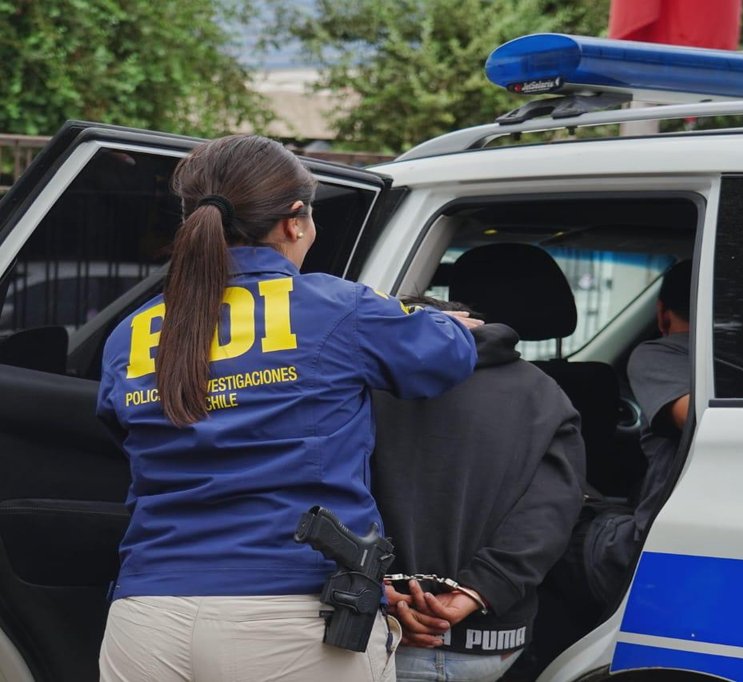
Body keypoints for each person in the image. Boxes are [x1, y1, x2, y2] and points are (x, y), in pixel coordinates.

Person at [94, 135, 480, 682]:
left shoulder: (132, 332)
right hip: (290, 619)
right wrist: (441, 320)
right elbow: (446, 356)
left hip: (147, 619)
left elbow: (128, 438)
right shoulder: (337, 308)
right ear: (295, 221)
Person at [370, 297, 586, 682]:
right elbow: (548, 515)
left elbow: (319, 500)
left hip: (379, 637)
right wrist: (478, 590)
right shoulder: (543, 393)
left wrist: (376, 596)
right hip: (493, 644)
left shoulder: (358, 383)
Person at [580, 259, 692, 609]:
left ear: (662, 314)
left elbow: (695, 419)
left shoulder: (666, 355)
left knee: (555, 527)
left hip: (650, 549)